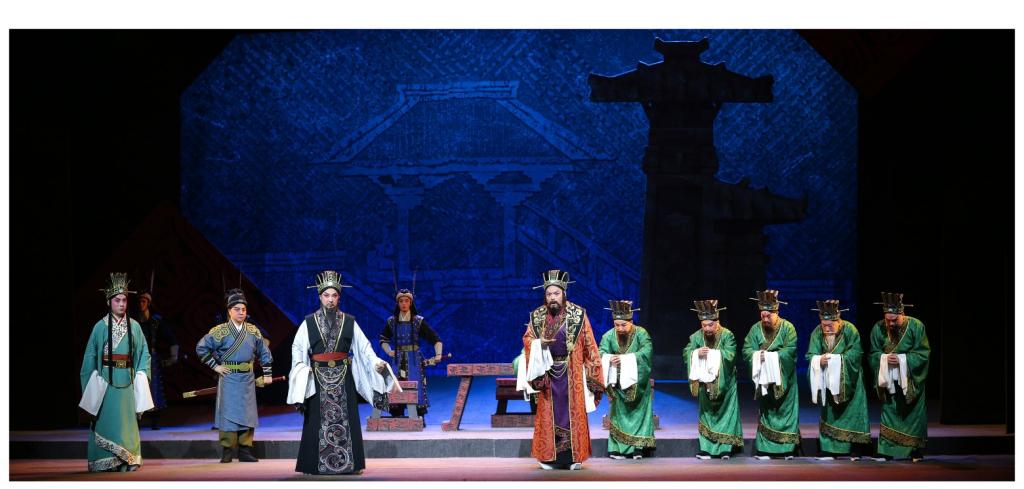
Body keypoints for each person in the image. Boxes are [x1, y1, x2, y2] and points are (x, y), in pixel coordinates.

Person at [288, 270, 398, 475]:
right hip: (318, 378)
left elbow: (364, 348)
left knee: (347, 418)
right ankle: (313, 464)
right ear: (320, 296)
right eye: (326, 295)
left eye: (334, 295)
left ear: (339, 297)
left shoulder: (349, 321)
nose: (330, 299)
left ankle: (351, 464)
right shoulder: (308, 322)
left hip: (343, 377)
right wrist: (300, 370)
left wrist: (376, 362)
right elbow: (298, 349)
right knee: (316, 420)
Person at [517, 270, 604, 470]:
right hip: (548, 373)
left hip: (572, 373)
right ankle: (549, 458)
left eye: (556, 293)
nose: (552, 298)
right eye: (549, 294)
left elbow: (590, 345)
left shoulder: (578, 314)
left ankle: (574, 458)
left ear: (564, 293)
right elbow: (528, 339)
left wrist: (594, 373)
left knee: (573, 415)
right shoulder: (537, 316)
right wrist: (538, 344)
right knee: (549, 415)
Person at [78, 273, 153, 472]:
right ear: (109, 302)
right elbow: (90, 358)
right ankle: (105, 460)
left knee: (127, 422)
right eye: (117, 300)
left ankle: (128, 459)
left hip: (126, 380)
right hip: (106, 381)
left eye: (124, 300)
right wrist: (92, 384)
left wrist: (140, 376)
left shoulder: (134, 326)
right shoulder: (99, 327)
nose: (121, 304)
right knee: (106, 420)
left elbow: (143, 354)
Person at [195, 288, 274, 463]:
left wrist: (267, 373)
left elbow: (264, 352)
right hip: (229, 377)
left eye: (243, 309)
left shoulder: (253, 331)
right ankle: (227, 450)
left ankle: (245, 449)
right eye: (237, 309)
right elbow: (201, 348)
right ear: (229, 311)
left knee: (247, 413)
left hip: (247, 378)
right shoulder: (220, 331)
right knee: (228, 414)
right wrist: (215, 366)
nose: (241, 312)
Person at [868, 292, 930, 462]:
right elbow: (873, 353)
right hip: (889, 379)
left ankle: (915, 451)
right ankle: (886, 451)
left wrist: (903, 360)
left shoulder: (916, 326)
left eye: (894, 320)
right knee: (889, 412)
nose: (891, 323)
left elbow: (923, 353)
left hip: (910, 379)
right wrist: (884, 359)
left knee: (914, 414)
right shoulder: (878, 328)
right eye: (888, 320)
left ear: (902, 314)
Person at [806, 299, 870, 461]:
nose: (827, 329)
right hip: (828, 381)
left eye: (830, 325)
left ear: (838, 321)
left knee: (853, 414)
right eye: (824, 325)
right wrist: (818, 360)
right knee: (830, 415)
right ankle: (829, 450)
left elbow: (855, 354)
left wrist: (836, 361)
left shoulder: (850, 330)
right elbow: (810, 354)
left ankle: (855, 449)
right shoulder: (817, 332)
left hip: (850, 379)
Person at [742, 290, 800, 460]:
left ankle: (788, 450)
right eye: (763, 316)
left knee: (786, 412)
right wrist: (756, 356)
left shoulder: (788, 328)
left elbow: (790, 350)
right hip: (764, 380)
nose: (765, 319)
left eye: (769, 316)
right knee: (767, 413)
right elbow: (747, 350)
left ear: (777, 312)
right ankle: (765, 450)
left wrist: (770, 357)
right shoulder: (755, 329)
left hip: (784, 379)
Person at [683, 299, 743, 460]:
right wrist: (696, 354)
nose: (707, 329)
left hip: (725, 383)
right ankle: (706, 448)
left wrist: (711, 355)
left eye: (711, 325)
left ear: (717, 322)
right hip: (705, 384)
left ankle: (725, 448)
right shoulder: (696, 337)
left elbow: (730, 355)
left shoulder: (727, 335)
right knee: (707, 414)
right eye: (704, 325)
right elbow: (686, 352)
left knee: (725, 414)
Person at [598, 300, 655, 460]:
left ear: (631, 321)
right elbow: (601, 352)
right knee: (618, 415)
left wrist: (626, 359)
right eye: (617, 325)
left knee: (638, 414)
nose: (620, 329)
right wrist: (609, 358)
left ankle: (638, 448)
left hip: (637, 382)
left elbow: (647, 352)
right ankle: (617, 448)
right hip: (617, 384)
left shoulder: (641, 333)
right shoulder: (609, 335)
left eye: (624, 325)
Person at [379, 285, 443, 417]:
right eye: (401, 301)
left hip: (414, 359)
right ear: (397, 303)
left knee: (416, 385)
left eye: (406, 301)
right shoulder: (392, 321)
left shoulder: (418, 321)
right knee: (397, 385)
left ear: (411, 303)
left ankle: (418, 416)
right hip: (397, 360)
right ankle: (397, 414)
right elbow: (383, 339)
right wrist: (389, 351)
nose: (404, 304)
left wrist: (438, 354)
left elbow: (435, 339)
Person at [135, 288, 178, 430]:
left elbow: (171, 338)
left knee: (153, 390)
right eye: (139, 301)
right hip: (136, 358)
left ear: (148, 303)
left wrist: (173, 356)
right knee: (137, 388)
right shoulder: (133, 320)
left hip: (151, 359)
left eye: (144, 301)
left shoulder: (155, 321)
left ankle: (154, 420)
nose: (141, 304)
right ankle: (136, 420)